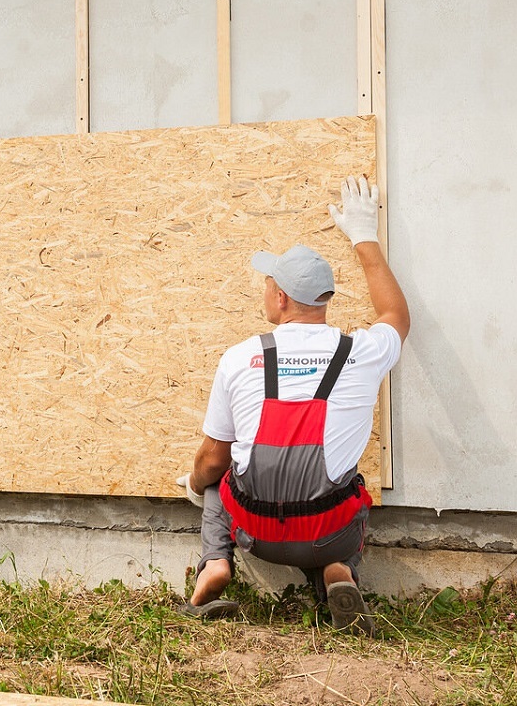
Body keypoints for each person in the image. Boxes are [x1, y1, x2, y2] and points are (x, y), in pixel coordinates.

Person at [175, 175, 409, 635]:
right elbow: (396, 317)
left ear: (280, 297)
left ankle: (216, 566)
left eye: (268, 284)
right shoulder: (358, 352)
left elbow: (213, 457)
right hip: (325, 535)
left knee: (214, 474)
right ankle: (337, 571)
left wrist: (197, 484)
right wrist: (364, 237)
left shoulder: (241, 356)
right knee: (350, 489)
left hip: (255, 536)